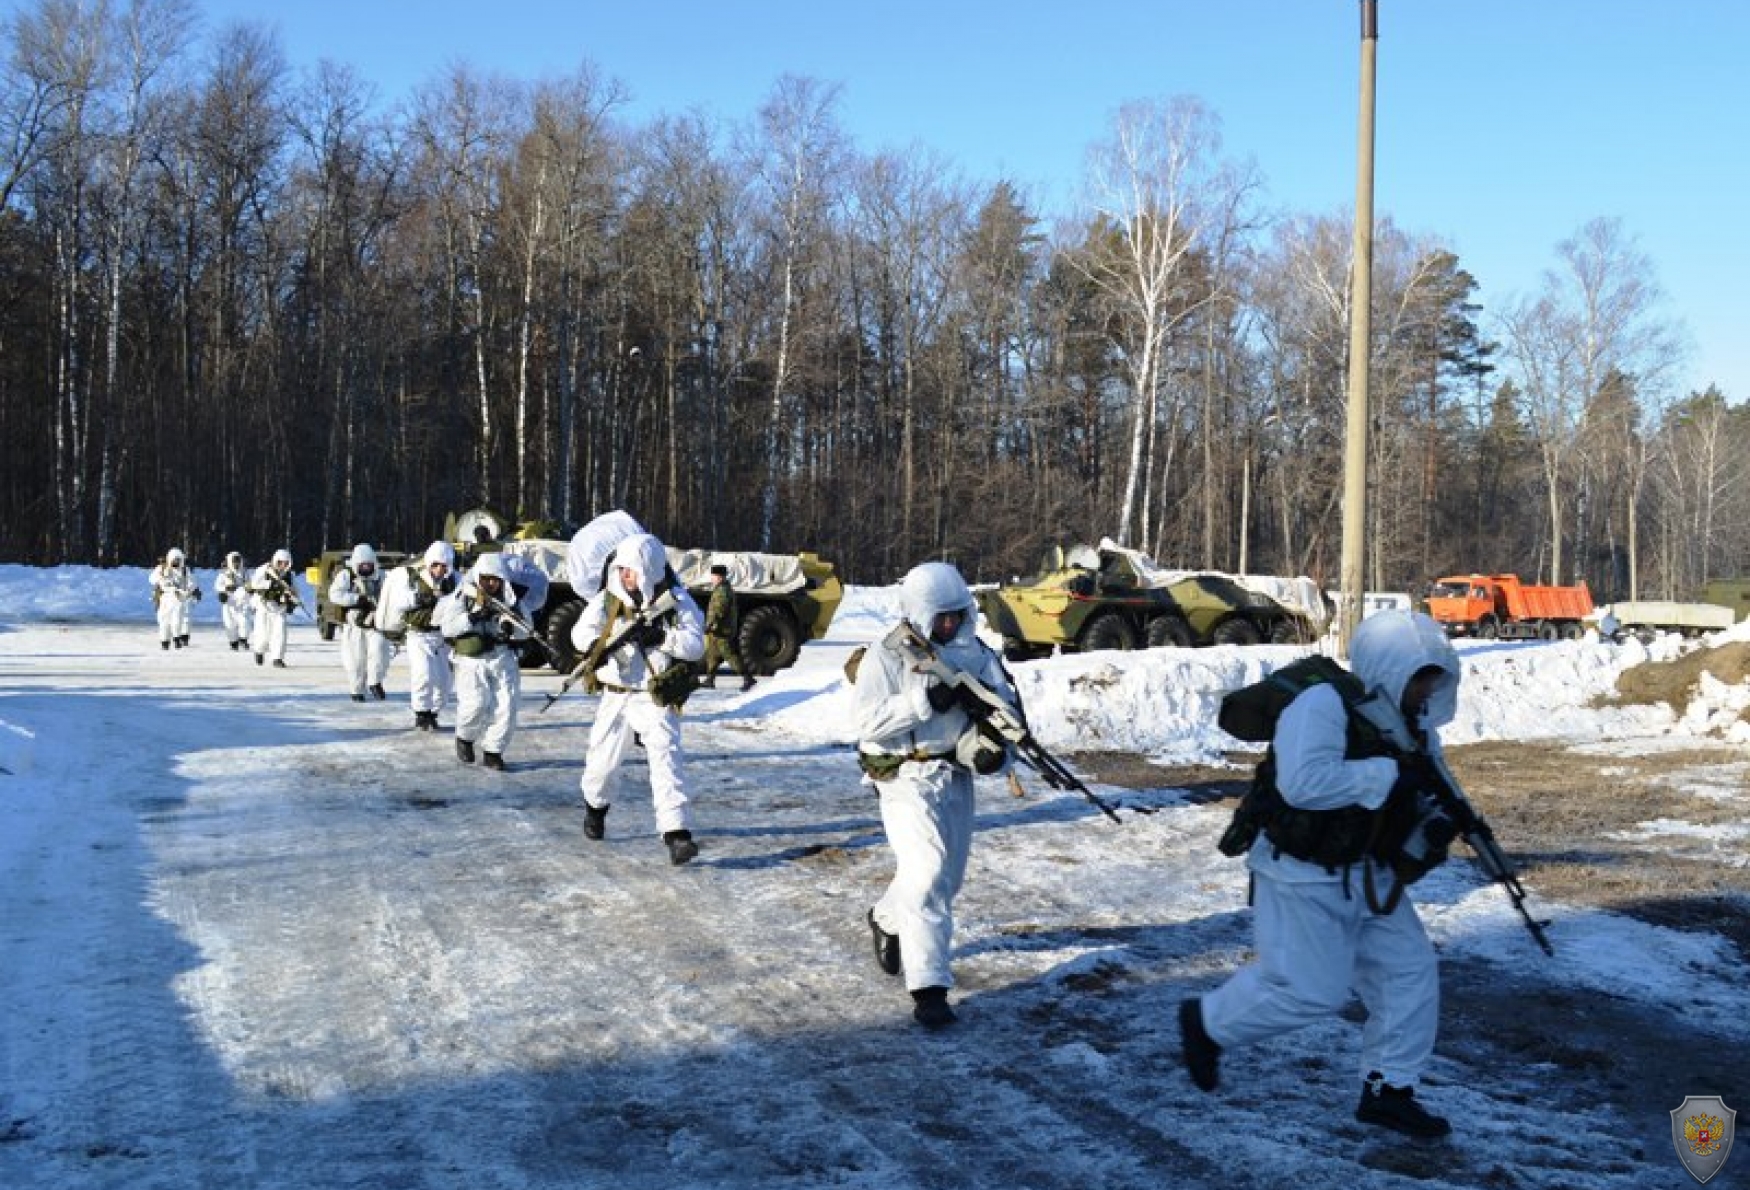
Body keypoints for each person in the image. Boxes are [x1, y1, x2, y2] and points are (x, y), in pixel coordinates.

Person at [1179, 609, 1463, 1139]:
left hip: (1369, 872)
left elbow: (1423, 786)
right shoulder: (1321, 704)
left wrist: (1437, 816)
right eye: (1420, 678)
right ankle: (1208, 1023)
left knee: (1410, 973)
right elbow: (1304, 784)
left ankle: (1389, 1090)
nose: (1426, 691)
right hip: (1301, 875)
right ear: (1390, 667)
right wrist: (1387, 775)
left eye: (1433, 680)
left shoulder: (1413, 725)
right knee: (1311, 991)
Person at [850, 561, 1020, 1029]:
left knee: (946, 879)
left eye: (955, 615)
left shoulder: (977, 654)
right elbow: (866, 723)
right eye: (940, 616)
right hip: (904, 775)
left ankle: (887, 918)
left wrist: (994, 755)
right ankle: (929, 988)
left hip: (955, 774)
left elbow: (1005, 714)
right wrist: (922, 702)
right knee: (926, 872)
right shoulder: (886, 655)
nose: (949, 624)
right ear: (920, 613)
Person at [571, 532, 707, 865]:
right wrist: (596, 648)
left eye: (631, 569)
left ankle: (677, 833)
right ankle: (596, 809)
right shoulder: (609, 599)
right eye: (620, 568)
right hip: (616, 695)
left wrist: (662, 636)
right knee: (601, 765)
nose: (624, 575)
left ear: (648, 569)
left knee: (667, 759)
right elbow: (580, 632)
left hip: (654, 696)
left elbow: (695, 645)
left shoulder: (676, 600)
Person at [438, 553, 529, 771]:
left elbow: (527, 630)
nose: (490, 583)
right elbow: (447, 627)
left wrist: (510, 628)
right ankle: (465, 737)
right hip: (472, 659)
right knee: (475, 704)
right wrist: (472, 617)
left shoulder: (510, 599)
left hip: (501, 656)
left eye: (495, 579)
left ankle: (494, 751)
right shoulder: (464, 596)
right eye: (486, 578)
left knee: (507, 705)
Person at [379, 541, 457, 731]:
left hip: (442, 636)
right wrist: (419, 598)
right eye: (436, 565)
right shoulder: (413, 578)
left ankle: (434, 711)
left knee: (445, 680)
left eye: (444, 566)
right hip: (418, 634)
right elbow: (398, 601)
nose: (439, 569)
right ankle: (421, 713)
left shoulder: (455, 580)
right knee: (423, 675)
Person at [329, 542, 392, 702]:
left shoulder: (382, 577)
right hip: (354, 624)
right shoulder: (346, 575)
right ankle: (356, 690)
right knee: (355, 660)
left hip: (375, 622)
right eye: (362, 565)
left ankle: (375, 682)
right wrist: (357, 599)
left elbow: (393, 594)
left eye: (368, 565)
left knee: (380, 653)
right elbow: (334, 594)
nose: (366, 568)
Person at [700, 563, 754, 692]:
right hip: (717, 630)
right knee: (712, 654)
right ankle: (710, 680)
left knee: (729, 655)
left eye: (713, 576)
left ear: (719, 576)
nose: (712, 578)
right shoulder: (721, 588)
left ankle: (748, 678)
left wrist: (709, 625)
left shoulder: (722, 591)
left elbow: (719, 611)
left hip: (721, 630)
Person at [246, 549, 300, 667]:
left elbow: (295, 592)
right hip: (263, 606)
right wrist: (270, 585)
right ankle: (259, 651)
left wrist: (292, 603)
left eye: (286, 563)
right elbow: (253, 584)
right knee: (262, 633)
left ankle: (277, 658)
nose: (283, 565)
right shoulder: (264, 570)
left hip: (280, 608)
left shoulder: (289, 576)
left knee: (280, 632)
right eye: (280, 562)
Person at [149, 548, 201, 650]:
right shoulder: (162, 568)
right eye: (174, 560)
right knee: (164, 621)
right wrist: (161, 575)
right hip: (165, 599)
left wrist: (194, 591)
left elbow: (192, 583)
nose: (176, 562)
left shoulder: (185, 570)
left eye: (178, 560)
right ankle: (165, 642)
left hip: (179, 599)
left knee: (177, 620)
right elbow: (152, 579)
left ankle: (177, 639)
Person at [214, 551, 252, 651]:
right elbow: (218, 585)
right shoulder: (224, 573)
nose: (236, 563)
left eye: (238, 561)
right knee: (230, 624)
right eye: (234, 561)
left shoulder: (245, 572)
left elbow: (250, 584)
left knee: (245, 621)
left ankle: (243, 639)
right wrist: (224, 590)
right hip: (229, 603)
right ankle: (233, 642)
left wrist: (248, 590)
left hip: (242, 602)